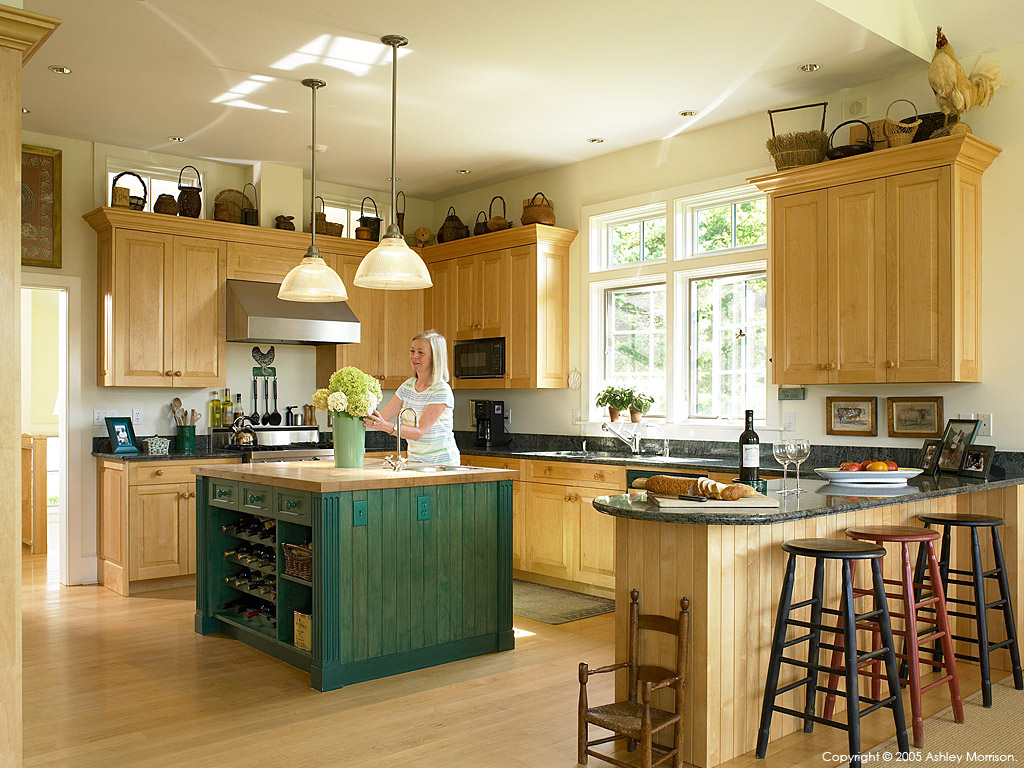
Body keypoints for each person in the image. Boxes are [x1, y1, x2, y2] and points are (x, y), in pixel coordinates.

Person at [363, 329, 459, 465]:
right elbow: (382, 418)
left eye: (421, 352)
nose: (414, 356)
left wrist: (387, 427)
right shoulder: (407, 387)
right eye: (412, 351)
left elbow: (419, 432)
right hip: (416, 461)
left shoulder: (441, 390)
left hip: (442, 463)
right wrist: (355, 411)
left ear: (435, 357)